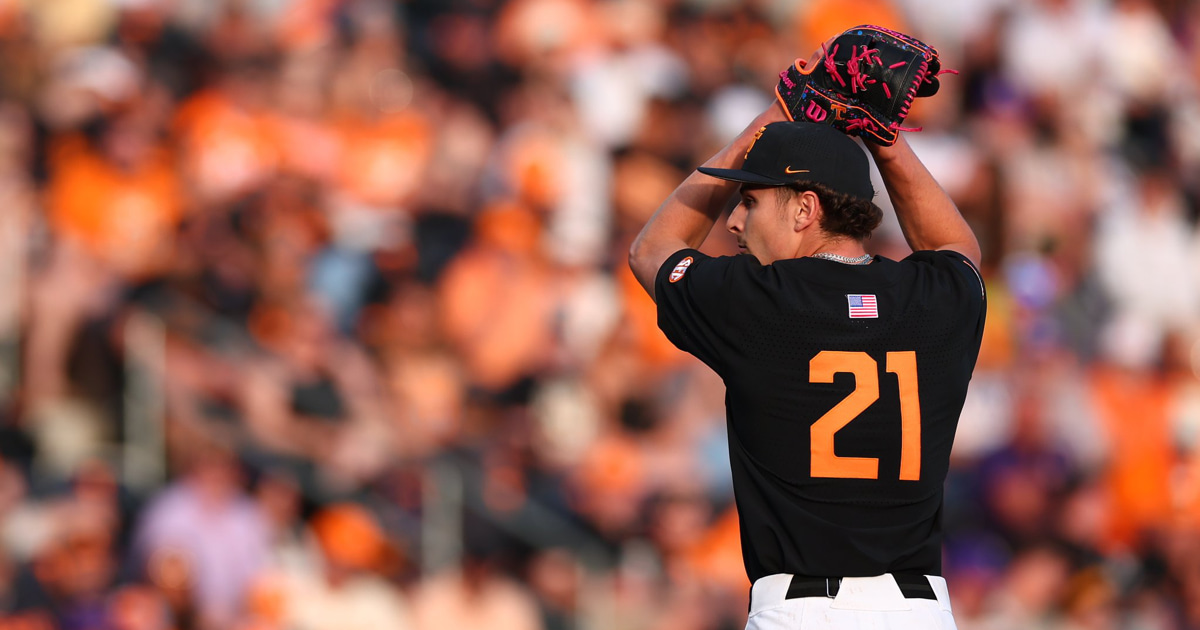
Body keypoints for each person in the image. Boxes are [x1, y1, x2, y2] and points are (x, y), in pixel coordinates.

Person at [627, 46, 986, 630]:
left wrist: (777, 113)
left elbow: (653, 250)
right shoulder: (933, 299)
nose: (735, 220)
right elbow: (958, 248)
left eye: (750, 200)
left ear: (804, 210)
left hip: (803, 610)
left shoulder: (759, 302)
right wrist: (885, 140)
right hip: (918, 612)